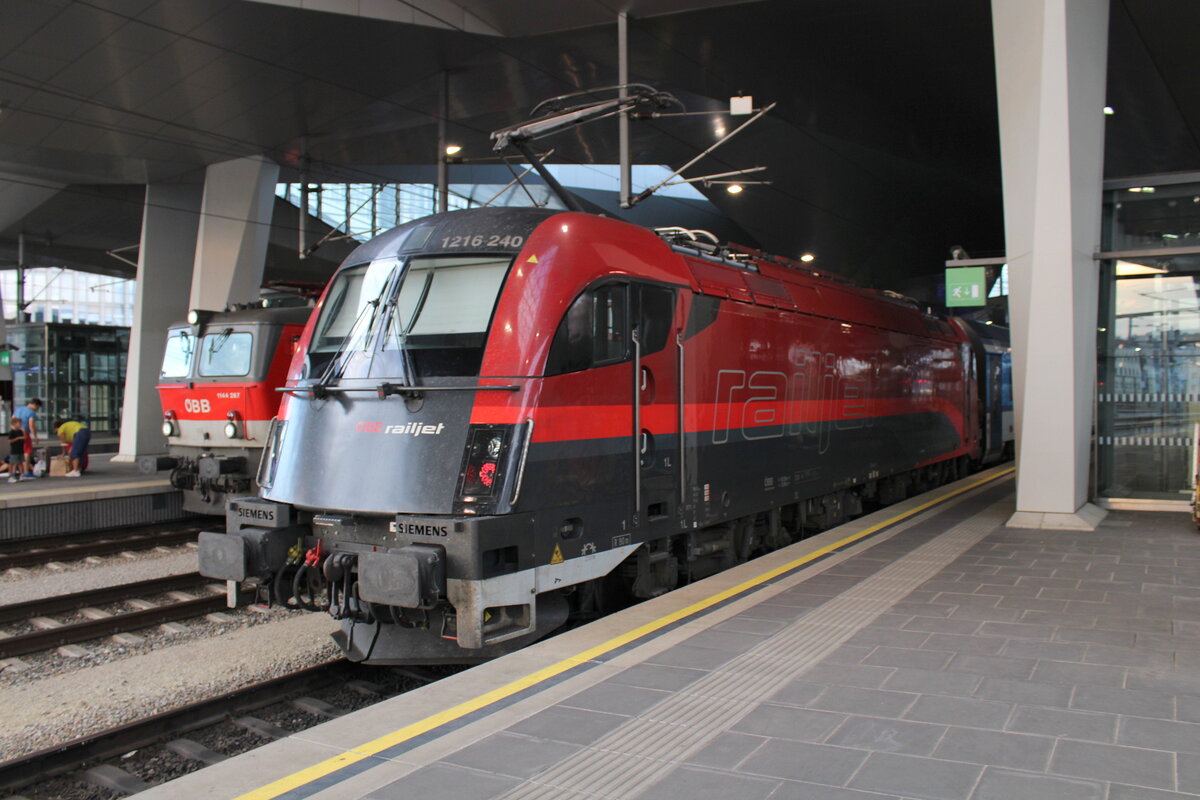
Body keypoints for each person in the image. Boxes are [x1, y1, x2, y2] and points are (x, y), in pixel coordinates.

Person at [13, 399, 41, 480]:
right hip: (25, 433)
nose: (37, 409)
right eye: (38, 407)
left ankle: (18, 472)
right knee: (27, 452)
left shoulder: (18, 410)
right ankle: (26, 473)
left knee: (18, 452)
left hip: (16, 433)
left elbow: (12, 419)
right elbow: (31, 424)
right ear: (35, 405)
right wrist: (35, 436)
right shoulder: (31, 412)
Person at [2, 417, 24, 483]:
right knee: (13, 463)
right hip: (14, 450)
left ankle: (21, 475)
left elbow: (23, 438)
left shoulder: (20, 431)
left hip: (20, 449)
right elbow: (10, 441)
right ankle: (12, 476)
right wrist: (18, 438)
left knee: (20, 463)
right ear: (14, 424)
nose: (20, 424)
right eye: (19, 423)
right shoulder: (11, 432)